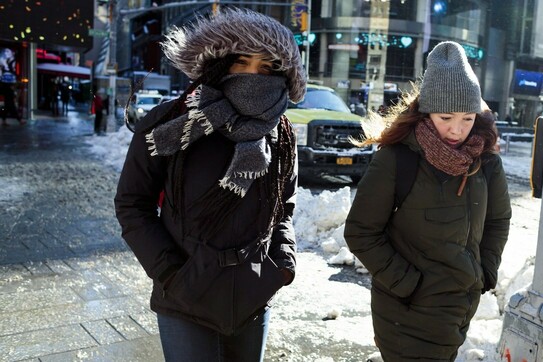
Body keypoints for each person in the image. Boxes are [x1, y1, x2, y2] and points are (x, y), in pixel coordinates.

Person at [114, 8, 306, 362]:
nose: (253, 75)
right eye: (241, 62)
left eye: (266, 67)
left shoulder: (281, 135)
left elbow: (284, 207)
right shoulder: (171, 124)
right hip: (185, 294)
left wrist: (281, 264)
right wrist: (171, 273)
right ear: (218, 64)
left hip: (252, 292)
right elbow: (132, 204)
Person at [344, 41, 512, 361]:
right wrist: (410, 285)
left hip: (459, 311)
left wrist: (485, 272)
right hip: (405, 314)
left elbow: (498, 220)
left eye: (467, 118)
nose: (457, 129)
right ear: (427, 110)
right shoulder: (397, 159)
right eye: (446, 117)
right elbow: (361, 232)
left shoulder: (485, 162)